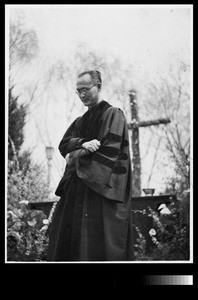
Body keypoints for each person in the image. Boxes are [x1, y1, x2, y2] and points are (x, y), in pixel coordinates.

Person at [47, 70, 134, 261]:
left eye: (86, 89)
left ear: (99, 87)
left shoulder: (113, 115)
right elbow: (64, 145)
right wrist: (82, 144)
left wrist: (75, 156)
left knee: (96, 247)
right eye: (78, 91)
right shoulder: (80, 121)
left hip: (100, 191)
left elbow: (109, 153)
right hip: (77, 192)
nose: (82, 95)